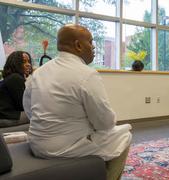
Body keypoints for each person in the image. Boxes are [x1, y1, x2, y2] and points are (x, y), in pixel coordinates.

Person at [23, 24, 132, 180]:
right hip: (62, 149)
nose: (93, 47)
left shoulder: (39, 72)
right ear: (78, 45)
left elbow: (28, 109)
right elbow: (106, 124)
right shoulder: (86, 74)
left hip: (36, 144)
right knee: (124, 136)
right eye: (91, 42)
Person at [0, 51, 32, 127]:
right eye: (24, 62)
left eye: (29, 61)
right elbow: (23, 105)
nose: (28, 65)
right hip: (7, 116)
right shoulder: (15, 78)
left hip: (5, 115)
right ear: (15, 64)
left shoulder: (11, 77)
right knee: (41, 114)